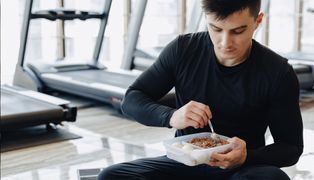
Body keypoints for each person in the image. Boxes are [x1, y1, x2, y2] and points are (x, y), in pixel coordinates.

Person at [98, 0, 303, 179]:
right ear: (206, 18)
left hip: (241, 169)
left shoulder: (278, 72)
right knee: (112, 175)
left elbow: (291, 148)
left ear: (257, 21)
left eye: (238, 31)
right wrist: (171, 117)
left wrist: (247, 156)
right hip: (185, 162)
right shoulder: (182, 50)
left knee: (273, 178)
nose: (225, 43)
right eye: (215, 28)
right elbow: (132, 100)